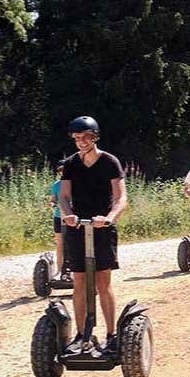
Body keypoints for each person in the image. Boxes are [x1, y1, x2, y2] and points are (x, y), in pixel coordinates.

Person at [58, 116, 128, 353]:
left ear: (95, 137)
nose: (80, 142)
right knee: (78, 281)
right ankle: (81, 335)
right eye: (76, 138)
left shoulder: (110, 161)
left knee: (102, 281)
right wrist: (67, 214)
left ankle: (112, 334)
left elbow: (121, 198)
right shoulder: (70, 163)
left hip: (102, 227)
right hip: (77, 227)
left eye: (85, 137)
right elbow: (64, 197)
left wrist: (109, 218)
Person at [47, 164, 73, 286]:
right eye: (62, 172)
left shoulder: (76, 184)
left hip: (73, 218)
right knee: (60, 244)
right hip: (59, 216)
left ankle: (73, 271)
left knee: (73, 244)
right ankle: (59, 270)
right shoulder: (57, 185)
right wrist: (52, 204)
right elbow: (53, 199)